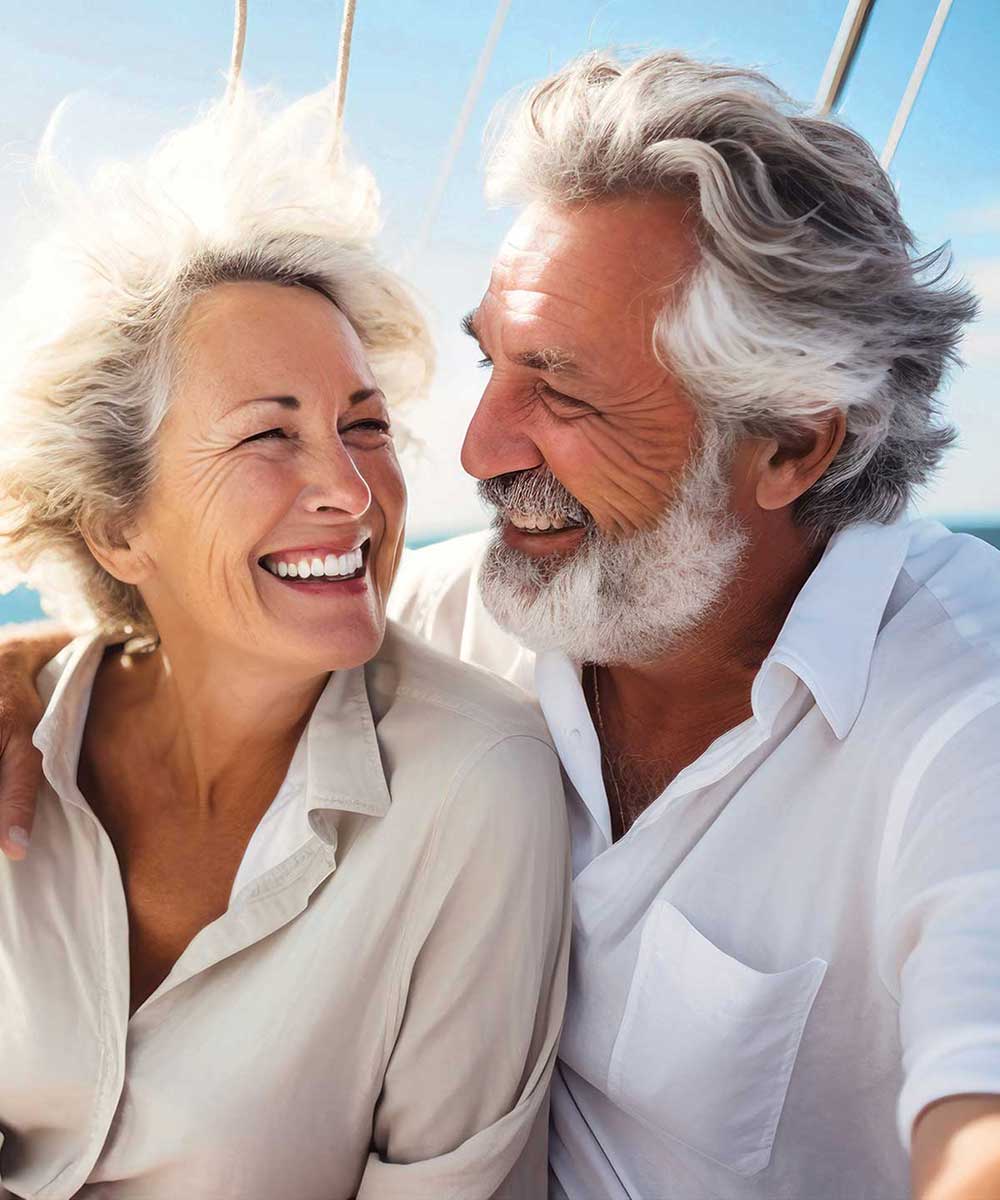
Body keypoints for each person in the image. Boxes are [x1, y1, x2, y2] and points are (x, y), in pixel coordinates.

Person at [3, 48, 1000, 1200]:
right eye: (491, 362)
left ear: (789, 444)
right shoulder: (465, 607)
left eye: (562, 391)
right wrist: (33, 670)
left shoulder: (960, 720)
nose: (477, 452)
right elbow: (212, 610)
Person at [0, 86, 570, 1200]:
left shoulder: (476, 789)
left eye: (365, 425)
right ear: (117, 526)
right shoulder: (21, 734)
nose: (351, 491)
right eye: (270, 434)